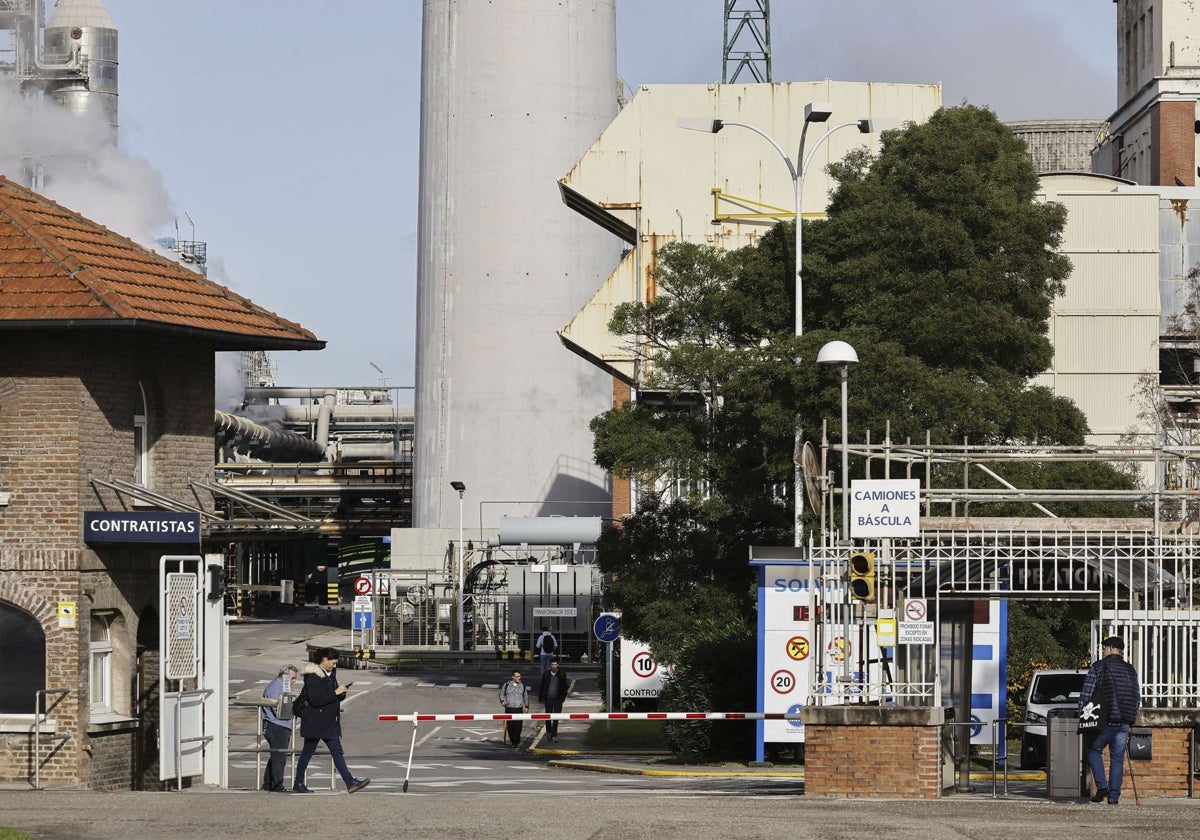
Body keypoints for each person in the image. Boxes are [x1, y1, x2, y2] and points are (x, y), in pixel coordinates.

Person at [292, 647, 371, 794]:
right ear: (324, 660)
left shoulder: (329, 674)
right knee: (310, 753)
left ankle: (349, 782)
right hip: (316, 721)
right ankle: (300, 782)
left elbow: (331, 696)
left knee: (332, 751)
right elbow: (316, 699)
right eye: (332, 662)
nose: (334, 665)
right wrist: (335, 692)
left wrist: (341, 693)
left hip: (327, 721)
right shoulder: (313, 676)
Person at [1078, 635, 1140, 805]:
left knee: (1093, 750)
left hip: (1103, 721)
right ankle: (1113, 798)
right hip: (1123, 722)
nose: (1103, 650)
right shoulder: (1130, 670)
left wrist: (1082, 714)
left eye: (1105, 647)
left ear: (1111, 648)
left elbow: (1086, 694)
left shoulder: (1099, 667)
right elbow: (1137, 698)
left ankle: (1102, 785)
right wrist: (1130, 721)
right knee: (1117, 760)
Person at [260, 664, 298, 792]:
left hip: (280, 724)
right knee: (279, 756)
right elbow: (277, 706)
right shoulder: (276, 686)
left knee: (276, 756)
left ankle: (268, 783)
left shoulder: (282, 686)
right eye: (292, 678)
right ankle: (277, 785)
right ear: (285, 676)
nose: (294, 681)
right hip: (276, 724)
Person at [537, 657, 569, 742]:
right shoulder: (546, 674)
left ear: (558, 665)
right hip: (548, 699)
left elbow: (565, 687)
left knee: (556, 718)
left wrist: (562, 698)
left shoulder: (562, 674)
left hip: (558, 699)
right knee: (548, 717)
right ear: (550, 665)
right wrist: (541, 698)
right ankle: (549, 732)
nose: (554, 666)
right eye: (552, 664)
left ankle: (554, 735)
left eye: (555, 664)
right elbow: (542, 686)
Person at [499, 669, 529, 747]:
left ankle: (516, 742)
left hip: (518, 709)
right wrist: (503, 701)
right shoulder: (506, 685)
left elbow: (525, 696)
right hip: (509, 708)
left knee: (518, 727)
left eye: (519, 676)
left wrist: (526, 706)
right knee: (511, 727)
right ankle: (512, 740)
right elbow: (502, 694)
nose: (519, 678)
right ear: (513, 677)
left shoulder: (522, 685)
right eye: (517, 676)